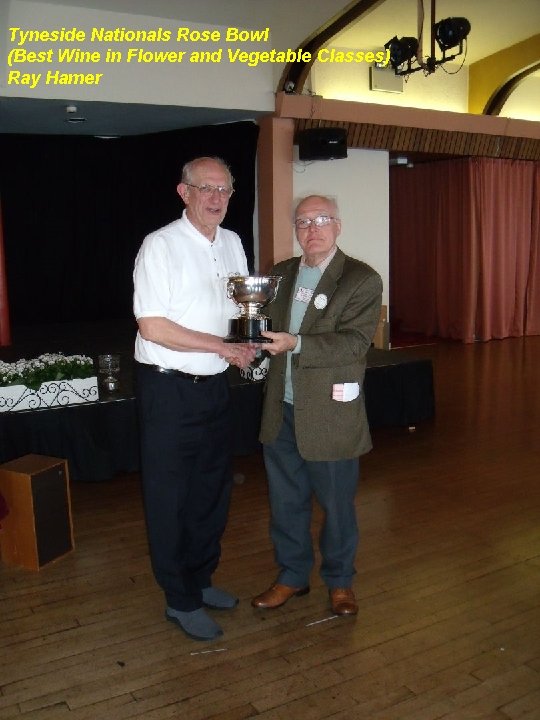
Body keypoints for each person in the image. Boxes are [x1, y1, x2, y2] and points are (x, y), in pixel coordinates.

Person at [133, 156, 257, 641]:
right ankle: (178, 599)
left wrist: (250, 341)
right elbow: (153, 325)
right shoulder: (159, 245)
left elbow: (239, 308)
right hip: (168, 390)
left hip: (214, 389)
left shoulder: (232, 243)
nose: (216, 198)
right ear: (183, 192)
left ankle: (200, 580)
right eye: (206, 188)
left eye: (224, 189)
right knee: (170, 498)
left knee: (211, 492)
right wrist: (222, 347)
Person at [252, 194, 383, 616]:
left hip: (329, 414)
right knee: (286, 503)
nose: (312, 229)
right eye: (303, 221)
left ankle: (341, 581)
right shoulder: (283, 273)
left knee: (336, 506)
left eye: (322, 219)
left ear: (338, 226)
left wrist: (297, 343)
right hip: (282, 409)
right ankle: (292, 576)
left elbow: (355, 343)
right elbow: (265, 329)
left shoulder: (360, 279)